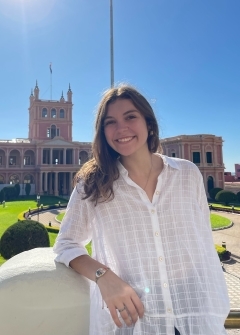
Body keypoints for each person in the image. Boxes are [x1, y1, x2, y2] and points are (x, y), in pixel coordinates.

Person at [53, 84, 230, 335]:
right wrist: (104, 276)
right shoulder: (93, 184)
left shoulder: (187, 174)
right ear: (102, 132)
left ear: (149, 123)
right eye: (110, 122)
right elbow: (66, 244)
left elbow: (202, 243)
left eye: (130, 117)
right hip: (136, 323)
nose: (121, 128)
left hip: (194, 317)